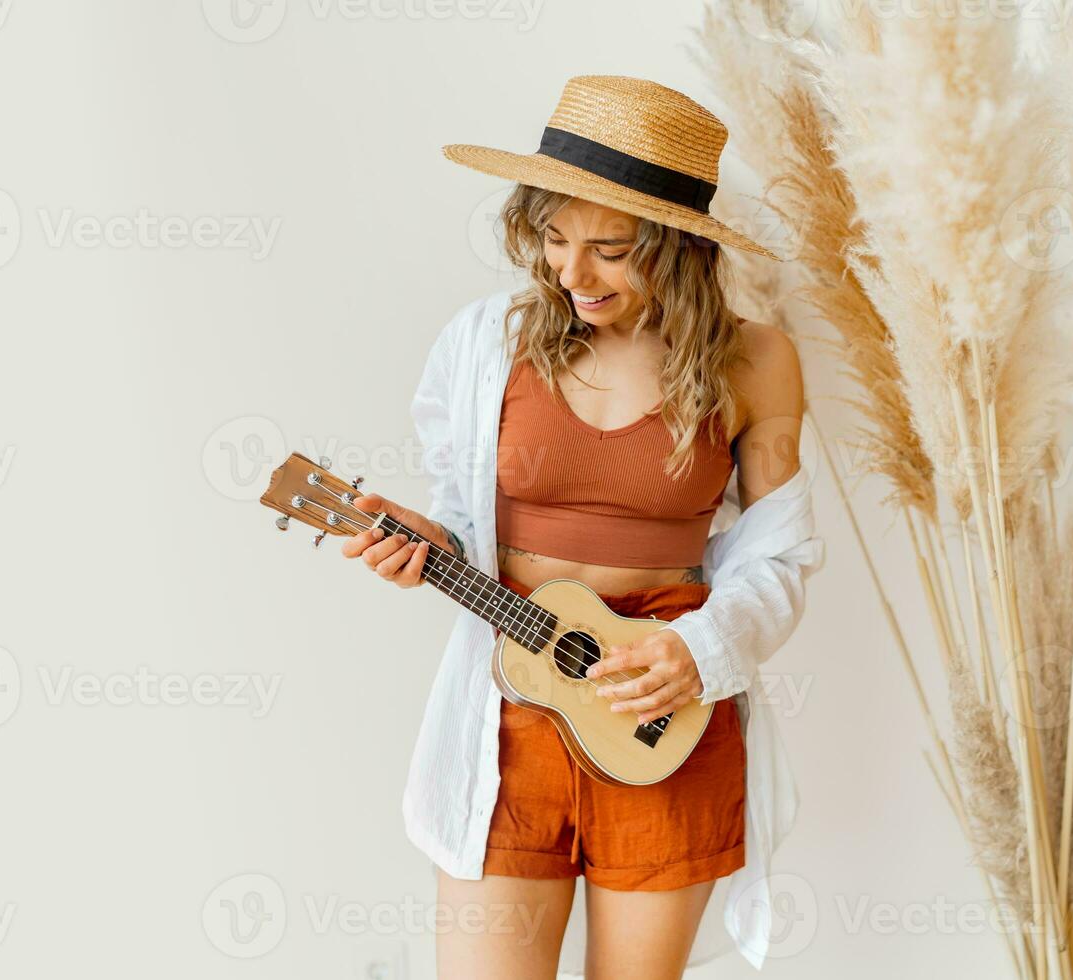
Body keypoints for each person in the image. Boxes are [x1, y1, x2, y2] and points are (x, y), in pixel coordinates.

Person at [341, 75, 823, 978]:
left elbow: (781, 553)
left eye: (609, 249)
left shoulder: (756, 359)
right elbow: (462, 520)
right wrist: (428, 548)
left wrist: (702, 647)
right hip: (507, 718)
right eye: (555, 240)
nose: (571, 274)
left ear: (678, 247)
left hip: (661, 719)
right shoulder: (486, 342)